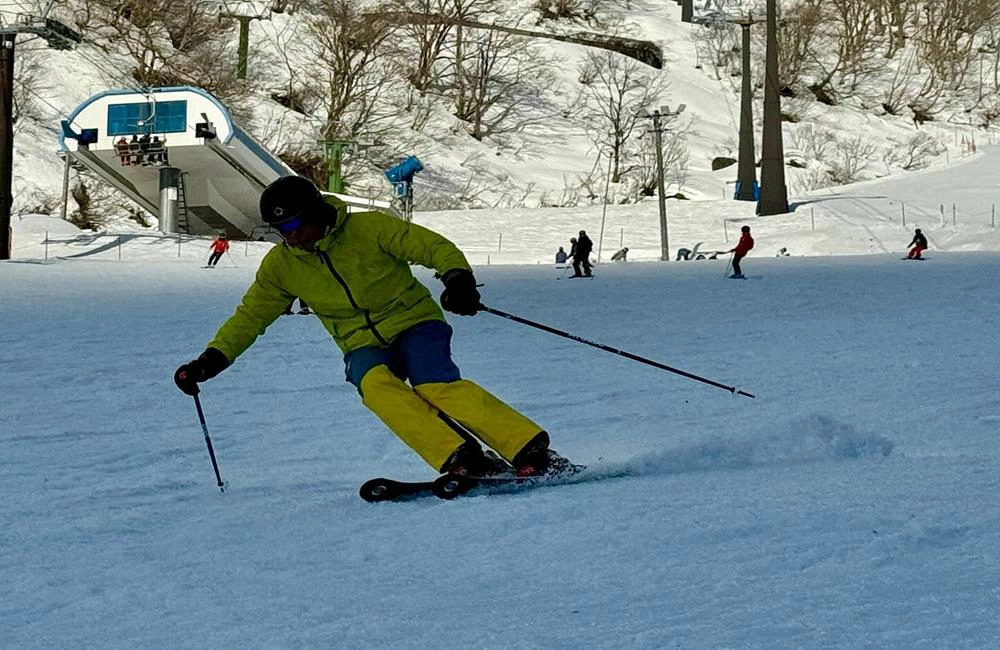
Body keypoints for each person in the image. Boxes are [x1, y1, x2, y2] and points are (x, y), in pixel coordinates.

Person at [173, 175, 569, 479]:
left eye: (296, 224)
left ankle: (528, 448)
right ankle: (460, 456)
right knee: (375, 386)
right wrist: (212, 360)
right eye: (282, 230)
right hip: (360, 341)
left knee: (434, 385)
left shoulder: (369, 229)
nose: (291, 236)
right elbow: (251, 315)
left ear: (316, 212)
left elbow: (431, 246)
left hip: (414, 321)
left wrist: (457, 278)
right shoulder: (282, 265)